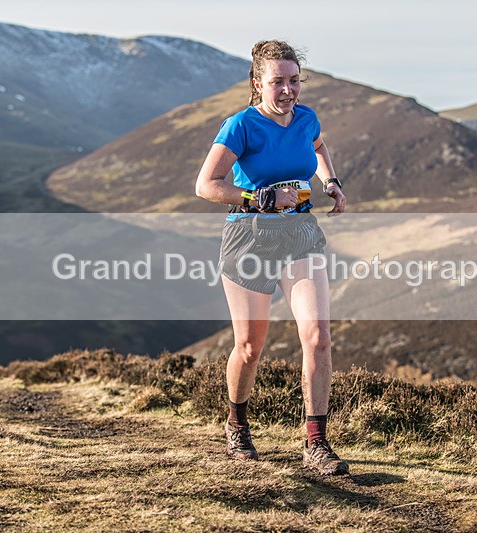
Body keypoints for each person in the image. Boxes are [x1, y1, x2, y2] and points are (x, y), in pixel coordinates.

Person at [194, 40, 348, 475]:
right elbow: (207, 184)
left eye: (294, 81)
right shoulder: (240, 126)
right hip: (249, 236)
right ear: (258, 83)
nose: (288, 90)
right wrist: (258, 197)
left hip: (300, 231)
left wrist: (331, 181)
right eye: (277, 81)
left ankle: (316, 442)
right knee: (249, 346)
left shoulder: (307, 118)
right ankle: (237, 424)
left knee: (317, 336)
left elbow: (318, 147)